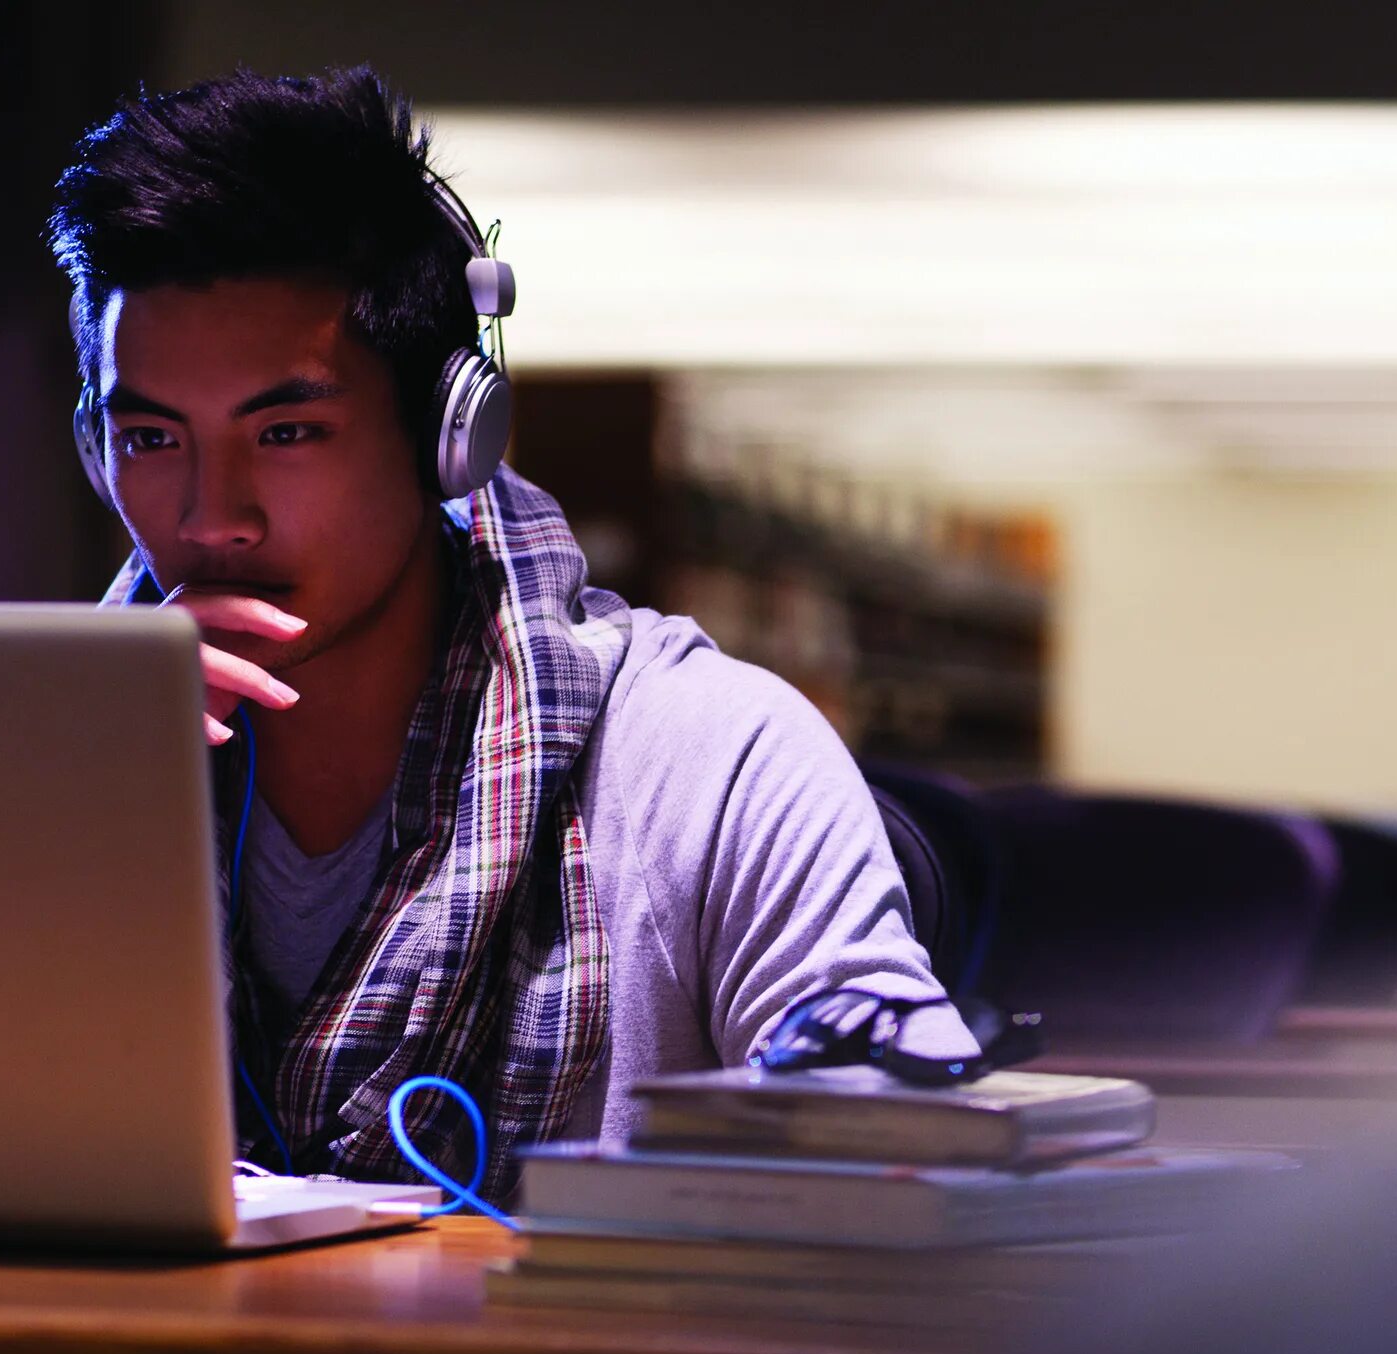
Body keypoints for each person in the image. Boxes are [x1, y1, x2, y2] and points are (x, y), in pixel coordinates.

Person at [47, 66, 958, 1197]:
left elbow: (907, 1166)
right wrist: (70, 816)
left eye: (286, 432)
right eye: (151, 440)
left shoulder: (712, 759)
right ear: (95, 449)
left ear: (449, 434)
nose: (210, 517)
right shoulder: (47, 768)